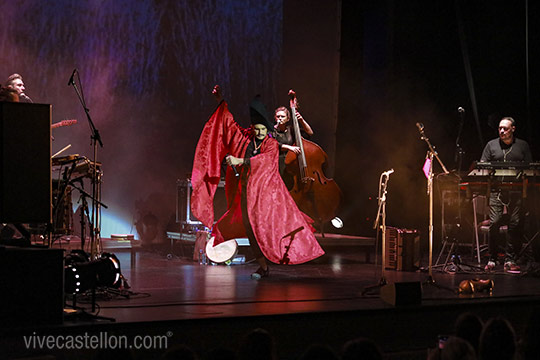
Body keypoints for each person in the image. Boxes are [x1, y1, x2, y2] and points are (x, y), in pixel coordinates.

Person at [190, 85, 324, 279]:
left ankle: (292, 251)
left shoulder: (270, 143)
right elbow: (228, 124)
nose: (260, 132)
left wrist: (242, 161)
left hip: (268, 195)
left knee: (272, 226)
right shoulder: (245, 138)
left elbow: (266, 161)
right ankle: (263, 267)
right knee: (250, 229)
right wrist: (220, 100)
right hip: (246, 194)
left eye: (263, 129)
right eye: (257, 129)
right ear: (252, 128)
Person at [480, 117, 532, 272]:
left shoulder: (522, 145)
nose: (502, 131)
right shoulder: (491, 145)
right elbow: (482, 164)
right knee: (494, 222)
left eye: (506, 128)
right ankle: (492, 259)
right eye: (500, 128)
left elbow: (529, 167)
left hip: (516, 191)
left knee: (515, 224)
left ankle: (510, 259)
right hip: (497, 190)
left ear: (513, 129)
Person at [272, 104, 313, 186]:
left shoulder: (291, 130)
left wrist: (301, 120)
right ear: (275, 118)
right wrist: (289, 147)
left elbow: (309, 133)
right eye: (278, 116)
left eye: (282, 116)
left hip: (290, 163)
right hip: (277, 164)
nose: (280, 118)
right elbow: (272, 144)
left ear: (288, 119)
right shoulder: (271, 131)